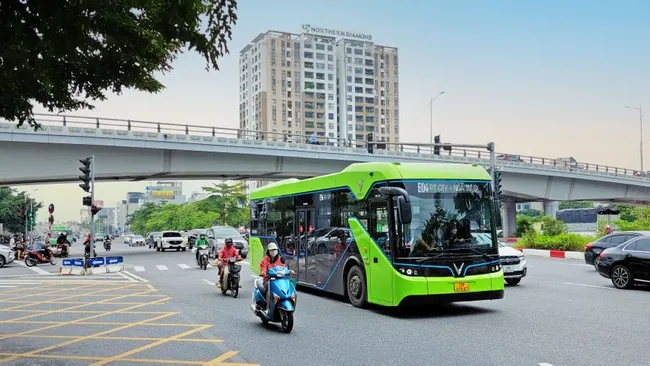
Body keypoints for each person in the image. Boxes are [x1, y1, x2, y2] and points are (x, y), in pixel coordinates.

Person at [259, 242, 286, 314]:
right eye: (271, 250)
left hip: (279, 280)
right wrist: (263, 273)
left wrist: (288, 271)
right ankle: (267, 308)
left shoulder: (280, 259)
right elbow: (263, 268)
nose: (273, 251)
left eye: (275, 250)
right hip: (268, 280)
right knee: (269, 291)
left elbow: (284, 267)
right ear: (268, 251)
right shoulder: (265, 259)